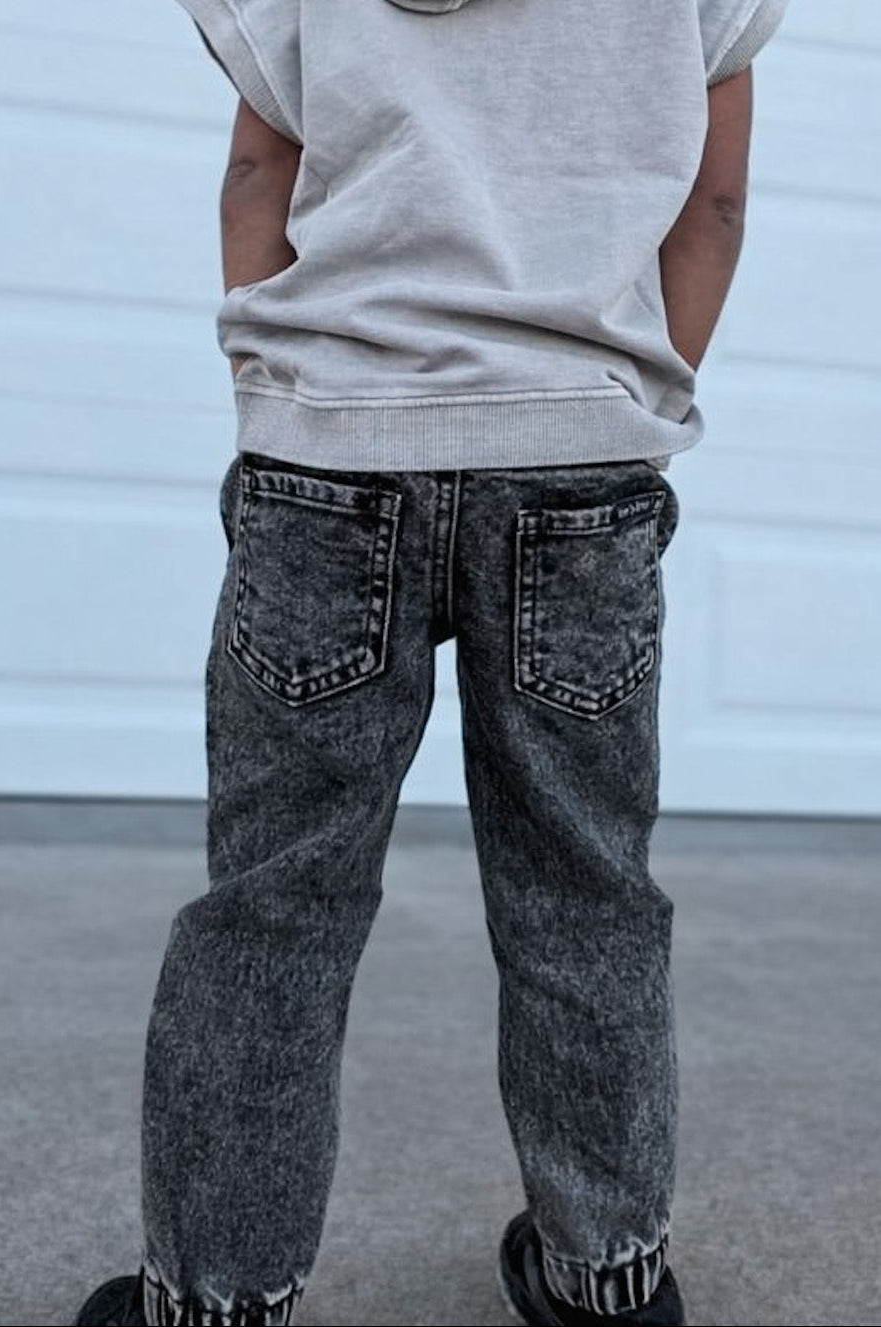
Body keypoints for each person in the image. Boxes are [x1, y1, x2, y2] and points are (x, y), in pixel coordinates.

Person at [74, 1, 788, 1323]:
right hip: (577, 478)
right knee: (585, 894)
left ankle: (214, 1297)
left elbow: (256, 174)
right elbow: (716, 205)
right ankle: (604, 1278)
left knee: (273, 909)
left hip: (329, 469)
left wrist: (278, 383)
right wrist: (628, 400)